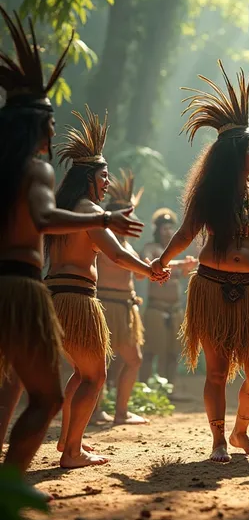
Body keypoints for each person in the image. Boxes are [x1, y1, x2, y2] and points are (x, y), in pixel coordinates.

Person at [0, 8, 141, 473]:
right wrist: (108, 221)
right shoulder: (51, 183)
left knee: (12, 385)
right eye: (50, 122)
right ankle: (38, 469)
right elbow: (58, 224)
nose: (54, 130)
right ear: (35, 126)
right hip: (34, 292)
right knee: (64, 387)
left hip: (32, 290)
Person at [152, 61, 249, 463]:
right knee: (218, 372)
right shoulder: (209, 195)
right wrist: (161, 260)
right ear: (234, 153)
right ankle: (218, 440)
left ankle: (241, 431)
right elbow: (186, 234)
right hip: (211, 287)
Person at [46, 106, 167, 468]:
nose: (107, 183)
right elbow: (115, 255)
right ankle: (71, 451)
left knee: (82, 375)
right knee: (95, 377)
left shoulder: (65, 210)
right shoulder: (87, 210)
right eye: (104, 175)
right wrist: (149, 270)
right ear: (89, 179)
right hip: (77, 300)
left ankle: (69, 442)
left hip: (55, 296)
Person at [95, 169, 150, 425]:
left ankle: (120, 412)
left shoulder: (126, 244)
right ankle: (96, 413)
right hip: (106, 306)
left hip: (126, 306)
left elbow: (140, 274)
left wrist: (173, 265)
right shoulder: (102, 239)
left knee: (132, 359)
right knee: (99, 362)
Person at [140, 208, 196, 385]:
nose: (169, 232)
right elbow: (147, 264)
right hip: (156, 309)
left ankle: (168, 389)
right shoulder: (150, 248)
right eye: (165, 228)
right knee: (150, 351)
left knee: (173, 353)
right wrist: (181, 264)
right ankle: (144, 387)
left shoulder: (173, 252)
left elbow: (185, 274)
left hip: (175, 309)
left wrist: (187, 267)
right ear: (157, 230)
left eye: (171, 228)